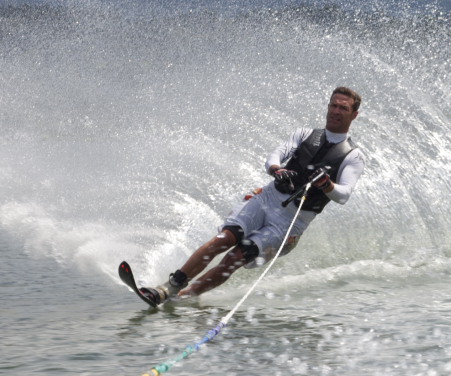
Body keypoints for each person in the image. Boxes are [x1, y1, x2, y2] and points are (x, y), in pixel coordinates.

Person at [134, 86, 366, 306]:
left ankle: (182, 297)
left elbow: (344, 195)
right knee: (224, 239)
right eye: (333, 105)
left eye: (343, 108)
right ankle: (168, 288)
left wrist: (327, 185)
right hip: (268, 197)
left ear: (354, 114)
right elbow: (277, 154)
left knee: (234, 258)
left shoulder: (352, 156)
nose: (336, 111)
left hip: (292, 220)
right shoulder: (305, 134)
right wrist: (276, 169)